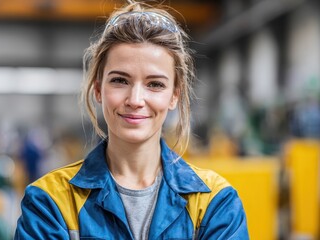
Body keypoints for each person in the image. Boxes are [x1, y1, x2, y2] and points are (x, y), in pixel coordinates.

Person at [15, 1, 249, 239]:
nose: (135, 99)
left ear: (174, 95)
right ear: (98, 89)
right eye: (120, 80)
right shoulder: (50, 202)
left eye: (155, 84)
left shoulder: (215, 202)